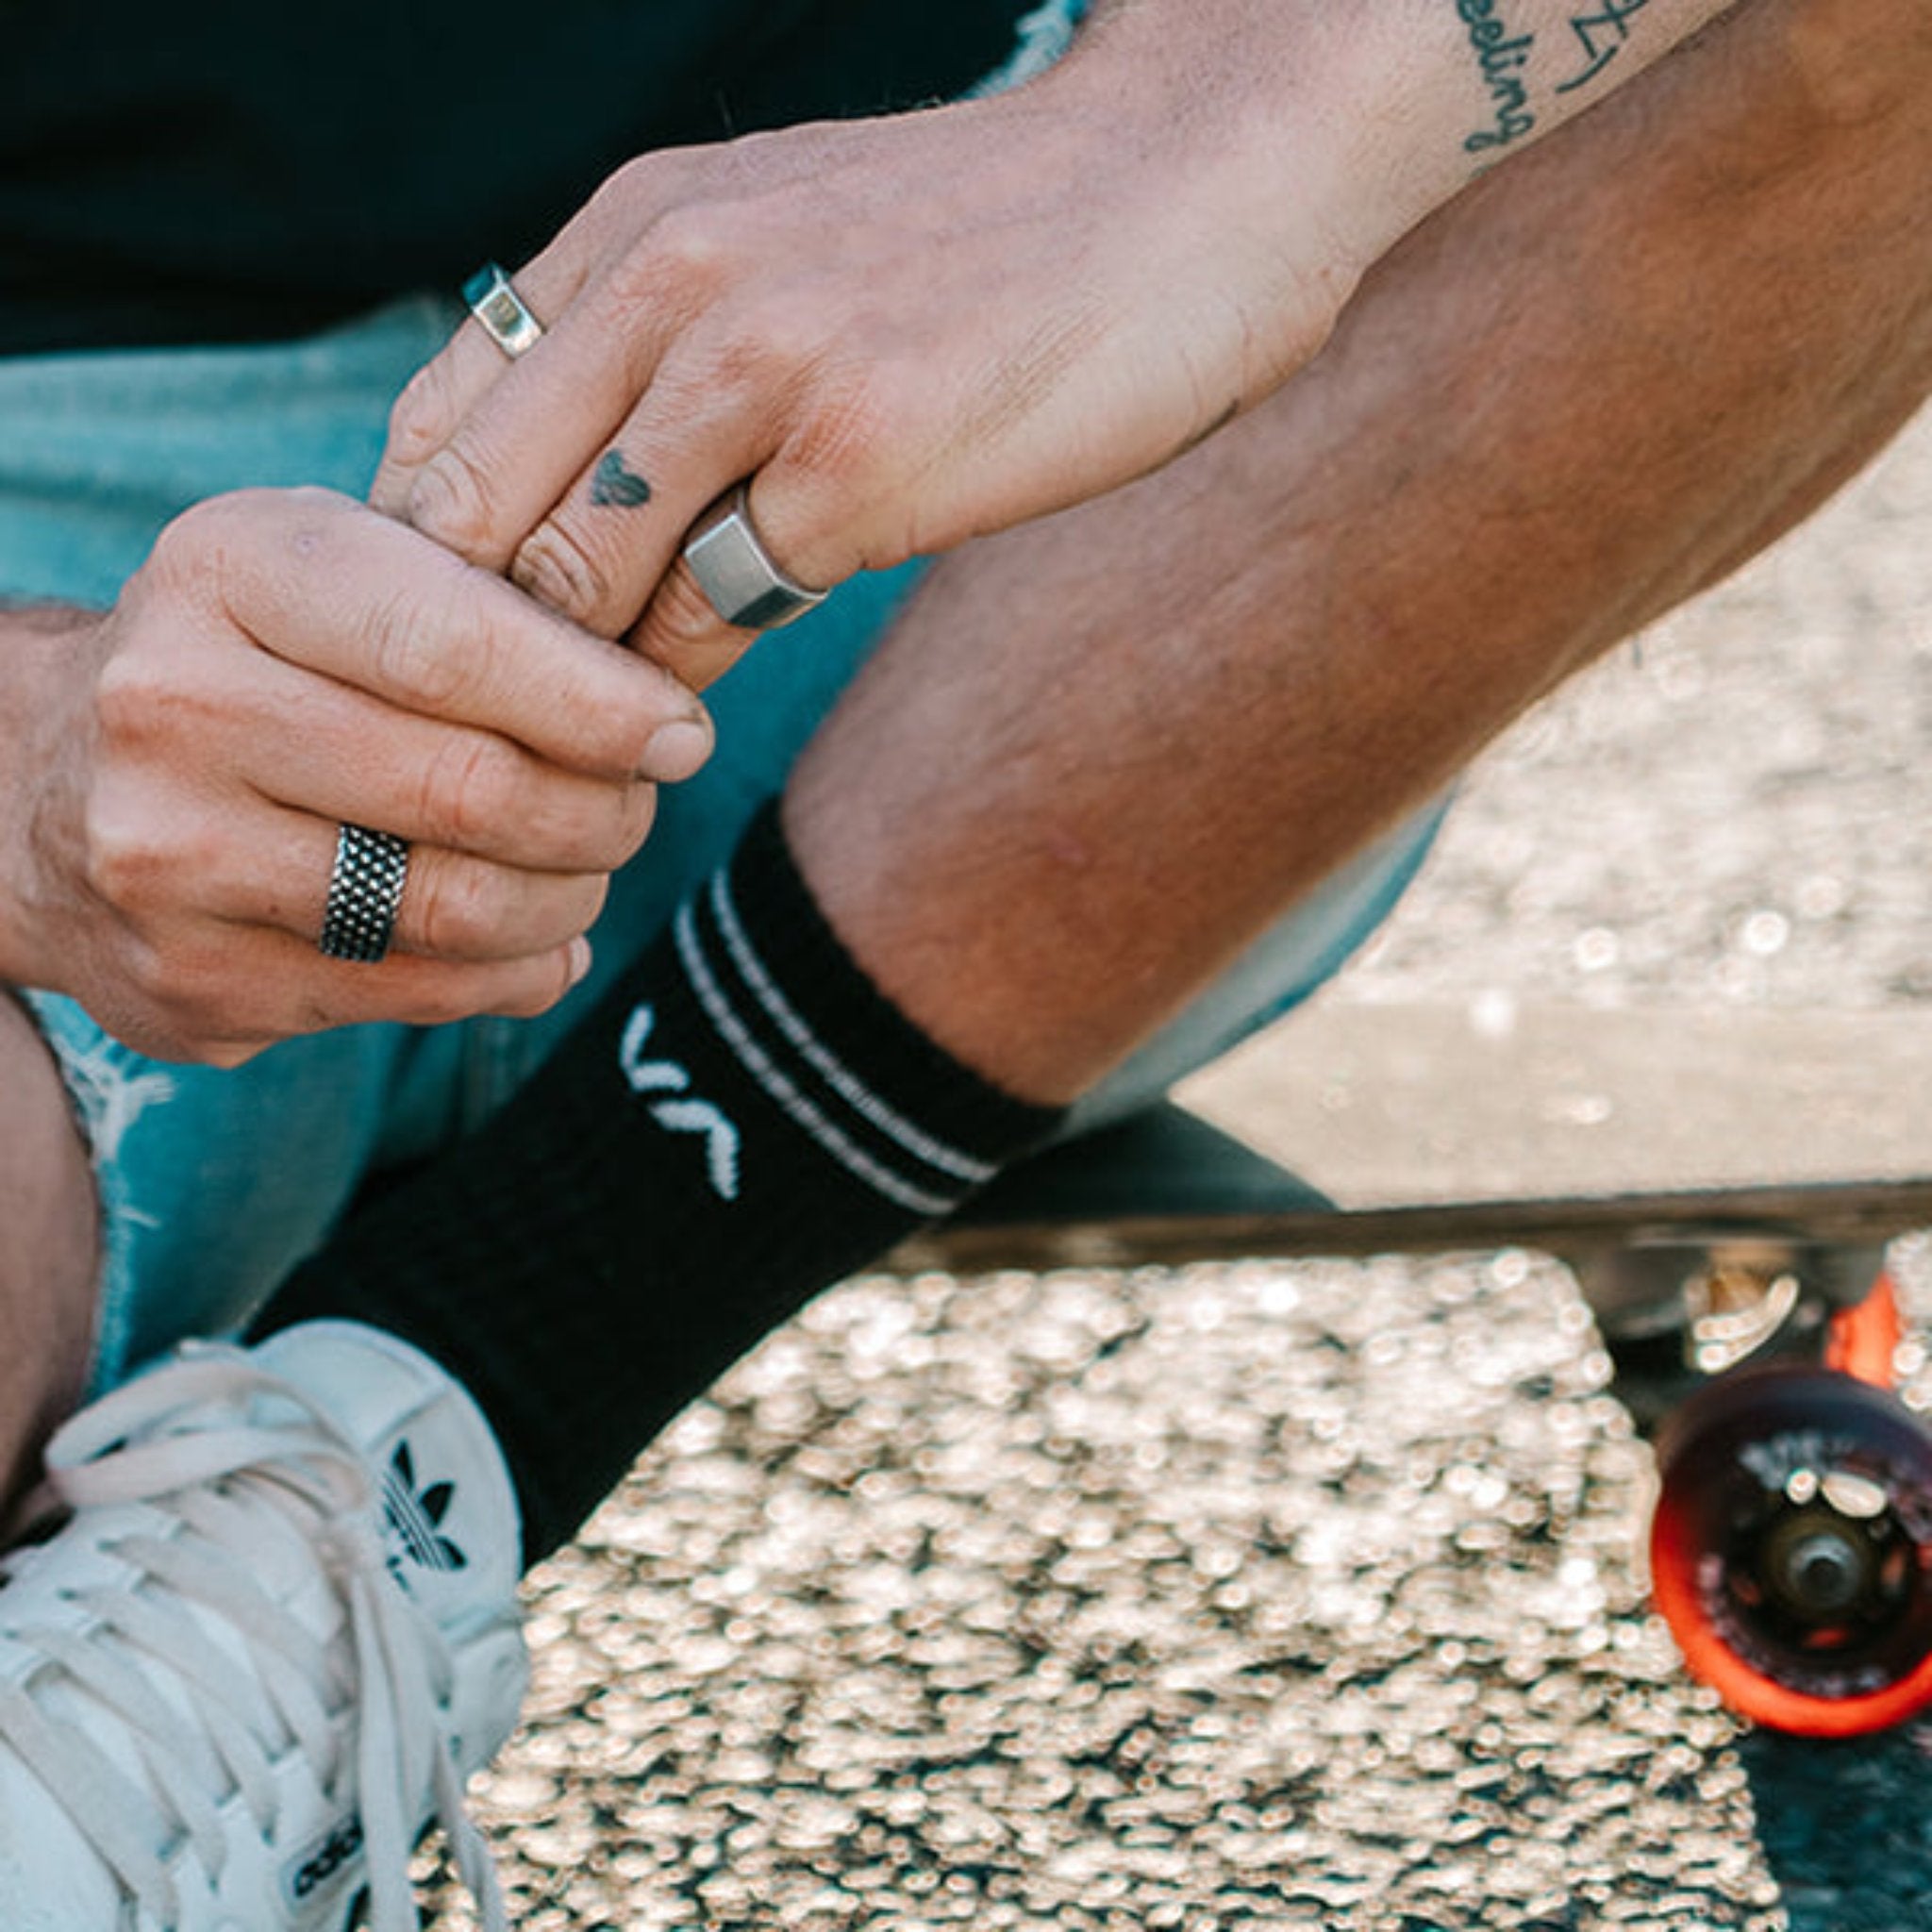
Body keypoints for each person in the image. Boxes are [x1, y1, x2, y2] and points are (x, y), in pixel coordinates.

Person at [0, 0, 1927, 1924]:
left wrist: (1209, 130)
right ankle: (324, 1523)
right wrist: (29, 779)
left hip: (1038, 395)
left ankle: (428, 1451)